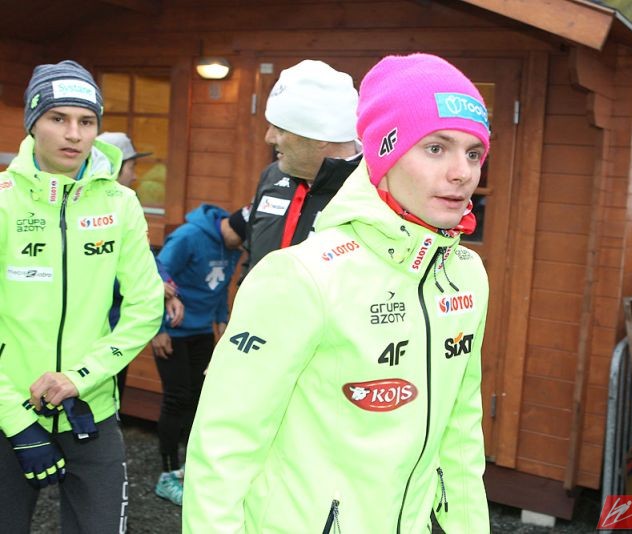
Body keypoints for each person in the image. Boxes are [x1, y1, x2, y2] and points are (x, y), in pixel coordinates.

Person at [184, 53, 491, 532]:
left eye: (473, 153)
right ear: (385, 155)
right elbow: (224, 448)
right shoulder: (300, 275)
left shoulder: (465, 274)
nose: (462, 172)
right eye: (436, 148)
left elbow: (461, 432)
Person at [0, 60, 163, 532]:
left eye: (86, 121)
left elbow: (145, 307)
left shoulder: (120, 202)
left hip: (90, 409)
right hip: (8, 413)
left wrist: (80, 376)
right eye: (58, 118)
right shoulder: (4, 200)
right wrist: (14, 418)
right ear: (33, 123)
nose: (74, 134)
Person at [151, 203, 246, 506]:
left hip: (202, 331)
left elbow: (219, 289)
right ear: (232, 230)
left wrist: (222, 321)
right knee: (176, 398)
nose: (241, 251)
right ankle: (167, 474)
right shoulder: (188, 237)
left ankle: (190, 469)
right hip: (173, 332)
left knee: (199, 400)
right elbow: (155, 278)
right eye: (242, 244)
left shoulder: (233, 247)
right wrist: (157, 328)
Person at [241, 59, 361, 279]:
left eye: (280, 129)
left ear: (321, 135)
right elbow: (251, 260)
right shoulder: (272, 176)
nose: (269, 138)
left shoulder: (373, 188)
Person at [98, 131, 185, 403]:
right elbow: (97, 273)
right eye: (132, 166)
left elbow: (144, 255)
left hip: (118, 332)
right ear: (114, 167)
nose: (136, 175)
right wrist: (154, 287)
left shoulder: (125, 204)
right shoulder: (88, 208)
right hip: (95, 335)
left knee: (113, 403)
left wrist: (165, 285)